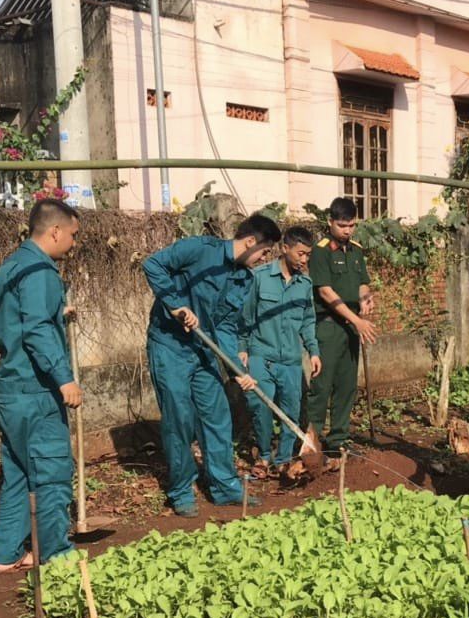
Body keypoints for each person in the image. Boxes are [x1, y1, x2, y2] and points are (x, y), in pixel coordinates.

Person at [142, 214, 281, 515]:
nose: (263, 259)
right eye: (264, 251)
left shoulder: (244, 278)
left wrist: (236, 371)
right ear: (249, 242)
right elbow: (152, 264)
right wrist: (177, 305)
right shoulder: (198, 249)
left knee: (217, 414)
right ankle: (181, 491)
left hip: (203, 348)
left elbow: (227, 329)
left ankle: (224, 486)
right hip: (170, 346)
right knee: (179, 417)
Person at [0, 198, 82, 574]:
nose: (73, 243)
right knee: (52, 472)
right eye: (72, 235)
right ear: (55, 231)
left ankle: (8, 554)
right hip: (36, 392)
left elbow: (5, 325)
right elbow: (37, 329)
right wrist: (64, 378)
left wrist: (58, 313)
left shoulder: (10, 268)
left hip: (9, 388)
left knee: (19, 473)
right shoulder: (41, 272)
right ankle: (54, 554)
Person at [240, 226, 322, 481]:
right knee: (259, 406)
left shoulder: (305, 283)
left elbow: (308, 321)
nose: (304, 259)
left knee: (291, 411)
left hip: (290, 360)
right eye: (301, 253)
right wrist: (242, 348)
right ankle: (264, 456)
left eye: (308, 255)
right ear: (285, 248)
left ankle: (284, 459)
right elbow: (245, 317)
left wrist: (314, 351)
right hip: (261, 355)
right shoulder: (260, 277)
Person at [307, 197, 377, 463]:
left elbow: (362, 282)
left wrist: (365, 298)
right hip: (328, 327)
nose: (348, 230)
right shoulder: (321, 251)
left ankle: (337, 441)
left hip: (351, 327)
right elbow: (325, 292)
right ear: (330, 222)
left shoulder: (356, 250)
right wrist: (357, 321)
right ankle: (311, 440)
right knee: (322, 386)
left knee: (347, 386)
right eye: (343, 225)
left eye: (352, 225)